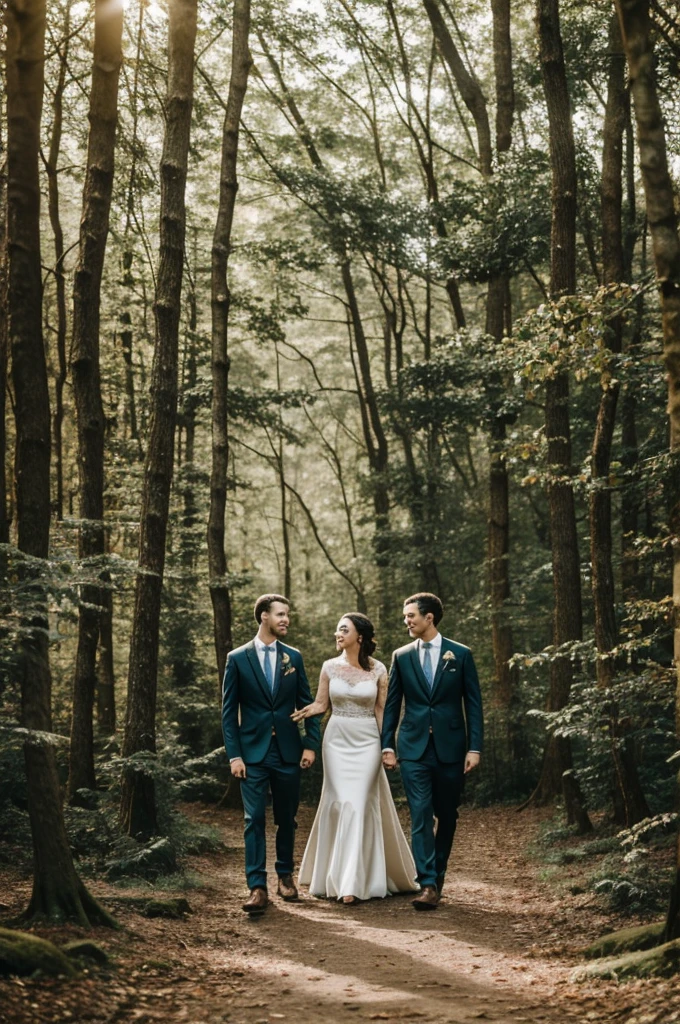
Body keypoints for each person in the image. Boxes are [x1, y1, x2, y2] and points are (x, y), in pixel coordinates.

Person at [294, 612, 417, 904]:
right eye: (337, 630)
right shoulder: (329, 667)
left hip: (367, 742)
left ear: (359, 636)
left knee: (360, 803)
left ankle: (355, 880)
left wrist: (389, 746)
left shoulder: (378, 669)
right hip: (336, 741)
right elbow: (322, 703)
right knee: (339, 804)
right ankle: (337, 878)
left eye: (343, 630)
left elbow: (381, 711)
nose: (338, 634)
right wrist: (302, 712)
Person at [381, 592, 483, 911]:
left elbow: (474, 704)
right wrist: (387, 743)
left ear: (429, 618)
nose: (406, 621)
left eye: (411, 615)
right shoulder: (402, 655)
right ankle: (426, 883)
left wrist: (475, 747)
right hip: (412, 748)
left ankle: (438, 875)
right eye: (404, 616)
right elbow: (393, 703)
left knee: (447, 814)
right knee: (421, 812)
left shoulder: (461, 655)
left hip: (451, 748)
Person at [222, 594, 321, 914]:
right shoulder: (237, 658)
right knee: (254, 819)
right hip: (251, 754)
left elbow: (311, 705)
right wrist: (234, 756)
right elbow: (228, 712)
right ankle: (257, 887)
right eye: (280, 614)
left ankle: (285, 877)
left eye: (287, 615)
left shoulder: (294, 657)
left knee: (287, 819)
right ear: (263, 616)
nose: (286, 620)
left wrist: (310, 744)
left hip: (288, 752)